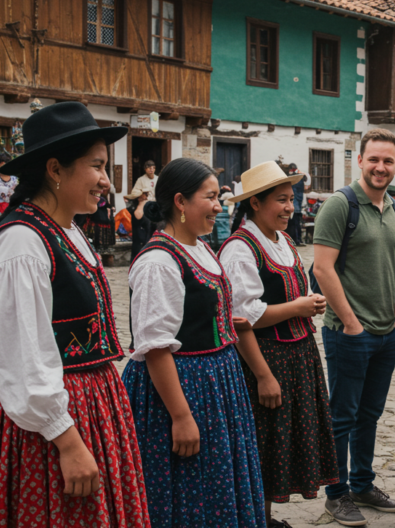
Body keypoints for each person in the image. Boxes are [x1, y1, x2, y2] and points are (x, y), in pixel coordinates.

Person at [0, 102, 149, 526]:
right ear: (55, 169)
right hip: (42, 428)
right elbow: (22, 357)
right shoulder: (22, 242)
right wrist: (67, 440)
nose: (106, 182)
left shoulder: (68, 230)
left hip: (91, 406)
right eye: (97, 167)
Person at [122, 157, 265, 528]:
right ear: (181, 202)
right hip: (181, 386)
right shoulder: (158, 261)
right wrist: (181, 417)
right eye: (211, 197)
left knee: (217, 481)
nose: (219, 207)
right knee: (187, 488)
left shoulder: (199, 249)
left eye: (219, 198)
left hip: (216, 381)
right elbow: (155, 345)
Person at [219, 162, 335, 527]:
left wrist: (306, 305)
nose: (290, 207)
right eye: (281, 200)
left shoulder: (281, 240)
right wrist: (298, 307)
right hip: (264, 358)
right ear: (255, 203)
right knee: (262, 443)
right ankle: (256, 519)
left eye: (292, 199)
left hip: (296, 355)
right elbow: (242, 317)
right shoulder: (240, 249)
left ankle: (265, 518)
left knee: (279, 443)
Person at [313, 128, 395, 525]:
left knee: (370, 413)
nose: (380, 167)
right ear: (360, 161)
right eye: (374, 159)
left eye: (388, 161)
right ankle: (336, 494)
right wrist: (351, 323)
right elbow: (322, 267)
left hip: (387, 332)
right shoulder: (341, 205)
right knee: (343, 415)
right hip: (349, 332)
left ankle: (362, 483)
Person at [74, 187, 116, 253]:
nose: (104, 188)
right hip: (94, 224)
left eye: (106, 187)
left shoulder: (107, 197)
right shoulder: (93, 197)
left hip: (104, 225)